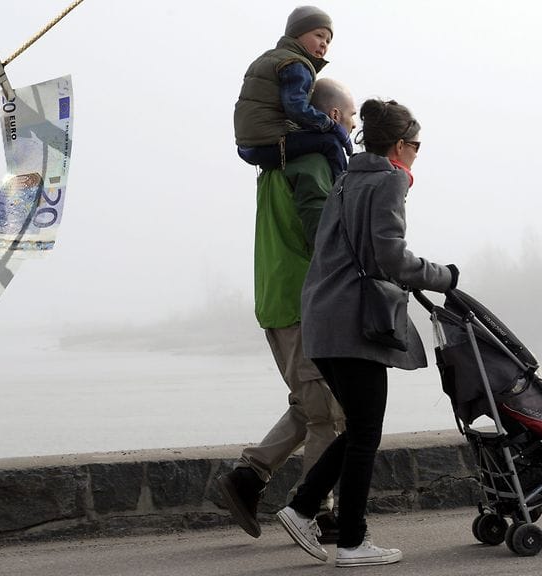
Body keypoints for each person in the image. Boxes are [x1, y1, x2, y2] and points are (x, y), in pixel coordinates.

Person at [275, 99, 459, 568]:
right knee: (366, 431)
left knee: (359, 426)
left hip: (322, 315)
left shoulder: (347, 178)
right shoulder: (390, 179)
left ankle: (302, 509)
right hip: (351, 321)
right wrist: (444, 276)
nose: (418, 153)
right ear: (400, 145)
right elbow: (390, 256)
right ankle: (352, 541)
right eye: (416, 145)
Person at [218, 78, 356, 542]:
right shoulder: (314, 160)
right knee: (327, 415)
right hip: (304, 301)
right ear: (333, 116)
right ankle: (316, 513)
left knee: (309, 402)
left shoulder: (274, 162)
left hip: (277, 298)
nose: (353, 126)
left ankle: (249, 477)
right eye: (352, 117)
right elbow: (323, 234)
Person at [233, 6, 351, 183]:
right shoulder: (296, 63)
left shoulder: (270, 57)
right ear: (297, 34)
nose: (324, 44)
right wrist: (333, 127)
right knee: (330, 143)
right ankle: (343, 193)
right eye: (319, 35)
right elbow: (296, 108)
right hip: (269, 143)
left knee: (314, 138)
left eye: (328, 40)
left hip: (247, 146)